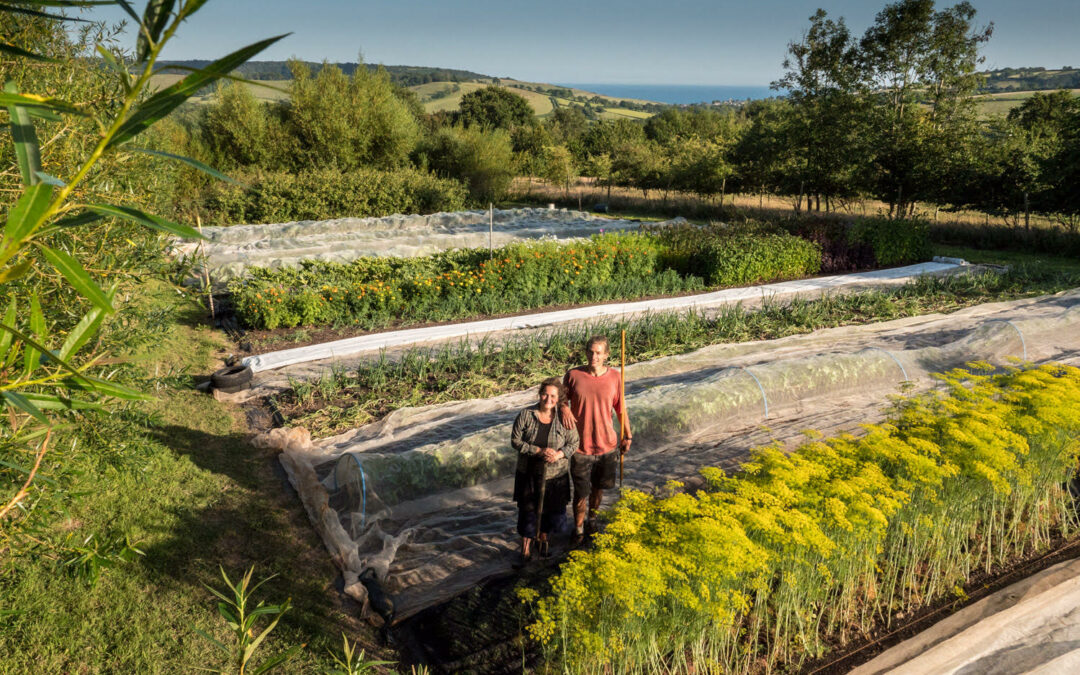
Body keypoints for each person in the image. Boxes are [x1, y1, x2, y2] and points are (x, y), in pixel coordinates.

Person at [559, 335, 632, 546]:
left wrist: (627, 435)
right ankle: (579, 528)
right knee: (581, 492)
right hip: (579, 447)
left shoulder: (616, 377)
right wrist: (564, 408)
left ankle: (593, 520)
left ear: (606, 355)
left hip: (607, 445)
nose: (594, 356)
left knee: (598, 489)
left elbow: (621, 409)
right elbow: (561, 398)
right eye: (591, 352)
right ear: (586, 353)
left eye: (599, 352)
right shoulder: (573, 375)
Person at [510, 377, 579, 563]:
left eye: (553, 396)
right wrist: (538, 451)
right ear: (539, 395)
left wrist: (558, 454)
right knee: (528, 511)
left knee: (552, 512)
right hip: (529, 473)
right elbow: (515, 441)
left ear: (559, 398)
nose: (548, 399)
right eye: (545, 394)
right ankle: (525, 549)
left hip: (555, 474)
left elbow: (574, 442)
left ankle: (543, 539)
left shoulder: (564, 417)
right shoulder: (526, 414)